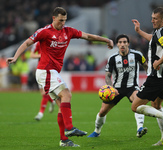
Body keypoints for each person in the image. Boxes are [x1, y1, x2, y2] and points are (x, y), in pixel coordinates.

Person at [6, 7, 113, 147]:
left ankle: (64, 140)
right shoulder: (44, 32)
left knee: (62, 107)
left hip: (52, 72)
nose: (63, 23)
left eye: (65, 20)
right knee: (67, 94)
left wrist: (106, 40)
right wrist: (15, 57)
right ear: (54, 18)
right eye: (61, 20)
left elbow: (87, 36)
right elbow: (27, 43)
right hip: (45, 70)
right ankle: (69, 128)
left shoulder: (68, 31)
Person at [88, 34, 148, 138]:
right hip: (116, 89)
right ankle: (97, 131)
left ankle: (140, 129)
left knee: (138, 104)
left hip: (132, 87)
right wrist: (111, 88)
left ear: (128, 43)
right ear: (117, 44)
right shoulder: (113, 58)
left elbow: (146, 66)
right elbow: (107, 75)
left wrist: (150, 79)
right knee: (102, 112)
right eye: (120, 42)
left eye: (125, 42)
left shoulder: (137, 55)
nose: (122, 44)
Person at [131, 7, 163, 146]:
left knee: (135, 106)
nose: (152, 20)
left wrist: (159, 61)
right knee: (156, 104)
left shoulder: (161, 32)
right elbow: (154, 39)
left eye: (155, 18)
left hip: (157, 77)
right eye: (152, 18)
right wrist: (139, 31)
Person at [30, 42, 56, 121]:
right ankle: (52, 101)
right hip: (40, 70)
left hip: (50, 70)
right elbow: (31, 55)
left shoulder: (52, 42)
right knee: (43, 93)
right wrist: (41, 55)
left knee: (45, 93)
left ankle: (40, 113)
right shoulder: (37, 44)